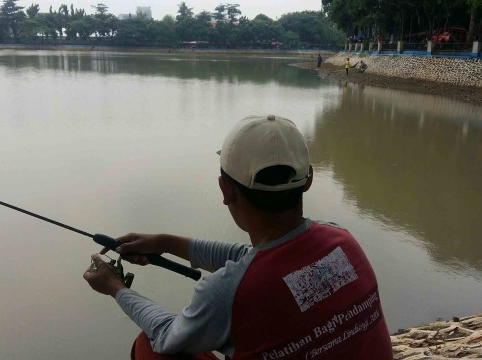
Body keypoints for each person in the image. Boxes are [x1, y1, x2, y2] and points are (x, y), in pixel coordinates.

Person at [83, 115, 393, 359]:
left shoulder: (228, 292)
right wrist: (164, 242)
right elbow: (254, 259)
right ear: (307, 180)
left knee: (149, 348)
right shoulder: (341, 241)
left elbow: (167, 335)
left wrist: (116, 288)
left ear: (226, 189)